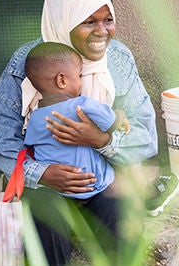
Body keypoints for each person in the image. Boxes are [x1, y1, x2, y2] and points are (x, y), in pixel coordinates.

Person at [0, 0, 178, 266]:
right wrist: (43, 173)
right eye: (89, 21)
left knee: (122, 219)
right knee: (45, 226)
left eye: (107, 20)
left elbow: (145, 137)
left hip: (102, 178)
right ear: (64, 19)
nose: (102, 31)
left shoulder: (119, 61)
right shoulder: (28, 62)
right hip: (43, 184)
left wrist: (102, 141)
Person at [23, 41, 131, 200]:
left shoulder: (35, 118)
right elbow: (111, 122)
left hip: (58, 189)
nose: (82, 82)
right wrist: (120, 114)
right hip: (95, 184)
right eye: (79, 76)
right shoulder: (83, 105)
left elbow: (30, 147)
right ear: (62, 80)